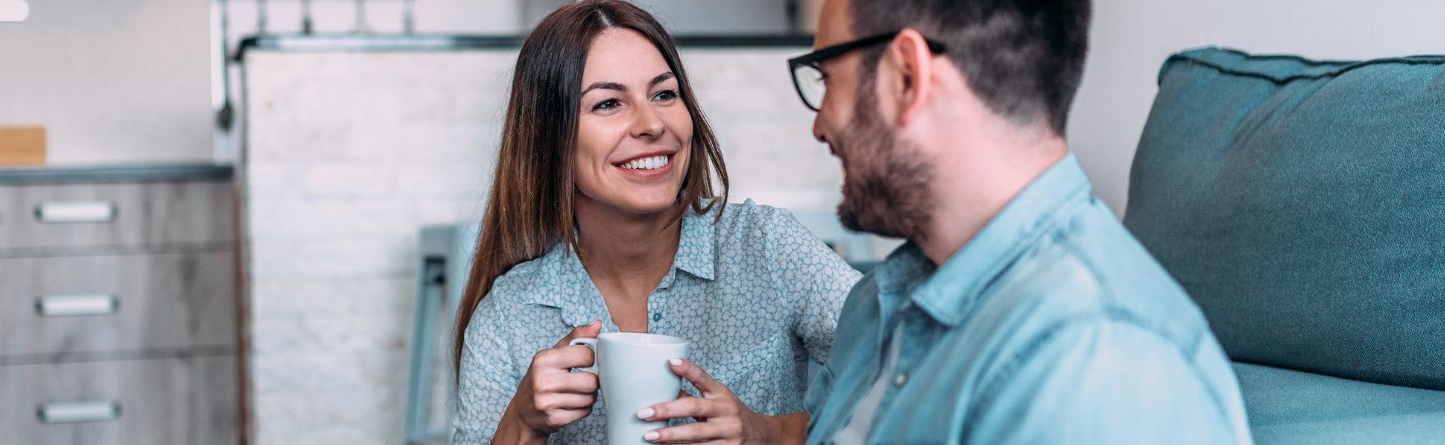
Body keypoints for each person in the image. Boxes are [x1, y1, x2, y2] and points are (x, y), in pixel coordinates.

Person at [789, 0, 1254, 443]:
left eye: (827, 77)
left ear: (907, 75)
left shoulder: (1095, 359)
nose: (818, 126)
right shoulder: (881, 297)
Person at [450, 1, 861, 443]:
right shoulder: (510, 314)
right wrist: (522, 424)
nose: (651, 124)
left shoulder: (765, 246)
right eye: (608, 103)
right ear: (550, 138)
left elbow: (913, 376)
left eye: (664, 94)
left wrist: (767, 433)